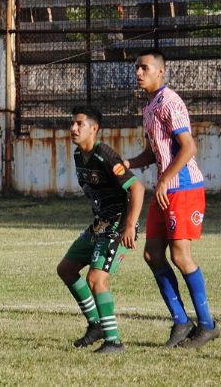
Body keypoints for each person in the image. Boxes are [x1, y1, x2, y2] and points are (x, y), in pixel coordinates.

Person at [120, 49, 217, 348]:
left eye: (144, 68)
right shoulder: (149, 107)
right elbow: (154, 152)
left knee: (180, 256)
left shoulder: (170, 101)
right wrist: (128, 163)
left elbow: (188, 147)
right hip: (165, 189)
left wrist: (164, 180)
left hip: (183, 187)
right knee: (152, 254)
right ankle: (181, 322)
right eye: (137, 68)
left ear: (160, 71)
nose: (138, 73)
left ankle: (207, 325)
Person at [56, 105, 144, 354]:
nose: (73, 128)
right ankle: (96, 326)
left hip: (118, 225)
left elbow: (137, 188)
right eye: (72, 123)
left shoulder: (104, 155)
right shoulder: (78, 155)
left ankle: (114, 341)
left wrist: (129, 226)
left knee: (96, 279)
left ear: (94, 128)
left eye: (79, 124)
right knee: (66, 269)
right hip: (100, 224)